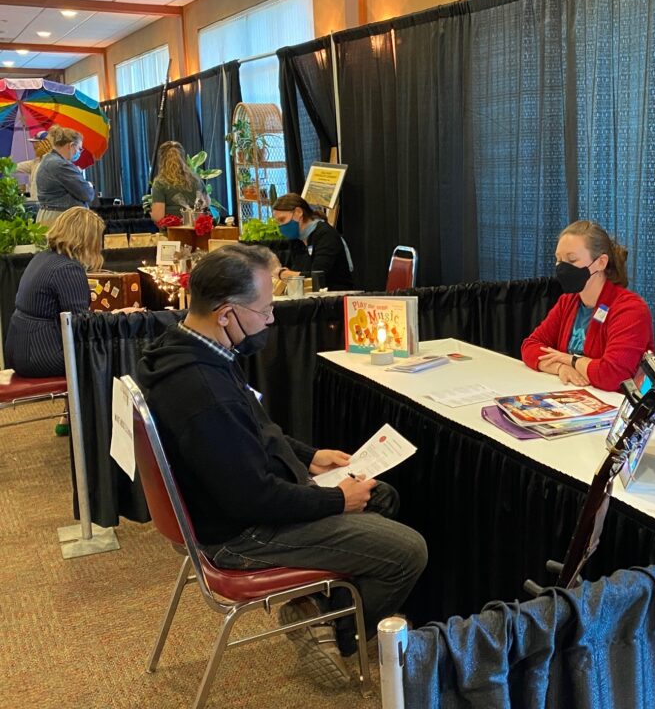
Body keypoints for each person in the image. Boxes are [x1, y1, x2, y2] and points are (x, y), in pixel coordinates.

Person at [135, 244, 426, 688]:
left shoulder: (191, 349)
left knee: (381, 495)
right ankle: (331, 634)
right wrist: (334, 498)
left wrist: (309, 457)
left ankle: (317, 607)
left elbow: (253, 427)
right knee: (408, 552)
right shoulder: (201, 390)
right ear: (227, 314)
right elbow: (253, 499)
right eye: (265, 309)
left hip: (235, 507)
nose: (271, 320)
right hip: (239, 534)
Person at [521, 220, 655, 392]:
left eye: (572, 259)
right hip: (575, 396)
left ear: (600, 262)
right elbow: (530, 346)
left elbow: (613, 376)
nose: (562, 267)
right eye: (558, 259)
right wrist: (561, 367)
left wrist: (571, 360)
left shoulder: (631, 309)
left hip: (619, 406)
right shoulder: (567, 302)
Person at [4, 207, 139, 378]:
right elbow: (82, 324)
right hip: (41, 354)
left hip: (18, 348)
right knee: (114, 352)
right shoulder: (68, 268)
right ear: (87, 240)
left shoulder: (42, 257)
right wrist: (117, 316)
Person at [272, 194, 355, 290]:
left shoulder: (326, 235)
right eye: (278, 222)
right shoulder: (297, 239)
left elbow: (318, 276)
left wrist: (284, 274)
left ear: (298, 212)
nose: (280, 226)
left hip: (335, 298)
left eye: (282, 220)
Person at [35, 124, 94, 226]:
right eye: (79, 149)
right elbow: (87, 194)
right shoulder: (61, 165)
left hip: (52, 216)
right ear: (71, 146)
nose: (79, 153)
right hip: (61, 219)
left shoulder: (48, 159)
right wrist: (89, 185)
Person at [149, 141, 203, 223]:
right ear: (183, 157)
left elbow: (159, 217)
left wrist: (152, 214)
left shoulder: (160, 183)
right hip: (196, 231)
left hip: (172, 233)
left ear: (161, 160)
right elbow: (206, 202)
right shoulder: (196, 179)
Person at [15, 130, 52, 203]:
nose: (34, 146)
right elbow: (14, 167)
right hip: (32, 203)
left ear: (45, 144)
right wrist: (18, 194)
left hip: (43, 205)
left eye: (36, 143)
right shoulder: (35, 162)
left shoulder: (51, 163)